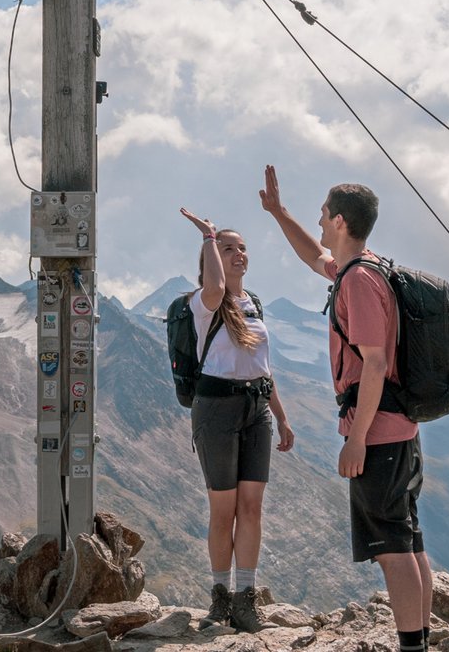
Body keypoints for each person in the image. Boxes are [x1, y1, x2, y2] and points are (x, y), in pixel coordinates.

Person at [260, 166, 434, 652]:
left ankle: (411, 647)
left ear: (339, 220)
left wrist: (357, 437)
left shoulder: (358, 282)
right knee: (409, 538)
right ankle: (421, 638)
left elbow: (374, 364)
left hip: (377, 431)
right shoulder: (367, 268)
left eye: (321, 214)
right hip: (402, 428)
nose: (318, 222)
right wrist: (278, 213)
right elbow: (313, 256)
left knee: (392, 549)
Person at [177, 206, 295, 633]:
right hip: (216, 411)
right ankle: (220, 596)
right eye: (229, 248)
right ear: (212, 256)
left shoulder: (254, 304)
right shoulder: (205, 303)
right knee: (222, 510)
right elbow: (214, 283)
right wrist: (208, 237)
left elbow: (264, 368)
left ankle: (246, 599)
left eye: (242, 247)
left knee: (251, 508)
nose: (238, 253)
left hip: (256, 411)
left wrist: (281, 418)